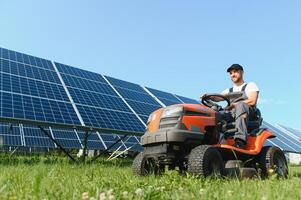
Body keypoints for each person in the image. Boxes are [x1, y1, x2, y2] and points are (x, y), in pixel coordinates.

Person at [221, 64, 259, 148]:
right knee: (216, 111)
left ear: (242, 72)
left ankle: (240, 140)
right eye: (231, 73)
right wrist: (209, 96)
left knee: (241, 104)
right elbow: (217, 97)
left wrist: (235, 105)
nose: (233, 74)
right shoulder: (228, 90)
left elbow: (252, 101)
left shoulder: (250, 85)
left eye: (235, 72)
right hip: (232, 114)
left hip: (248, 113)